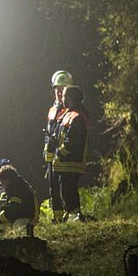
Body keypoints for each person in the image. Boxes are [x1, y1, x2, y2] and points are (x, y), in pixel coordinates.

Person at [52, 84, 89, 222]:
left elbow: (72, 142)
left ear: (72, 98)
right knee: (65, 189)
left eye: (65, 95)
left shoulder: (77, 117)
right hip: (65, 162)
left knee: (69, 190)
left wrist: (60, 152)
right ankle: (71, 214)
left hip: (71, 161)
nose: (62, 98)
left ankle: (75, 215)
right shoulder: (69, 114)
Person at [44, 70, 72, 220]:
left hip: (64, 156)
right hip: (51, 157)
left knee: (65, 188)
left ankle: (69, 215)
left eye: (63, 89)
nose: (60, 93)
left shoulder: (72, 110)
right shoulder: (52, 110)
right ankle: (57, 218)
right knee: (53, 188)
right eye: (57, 89)